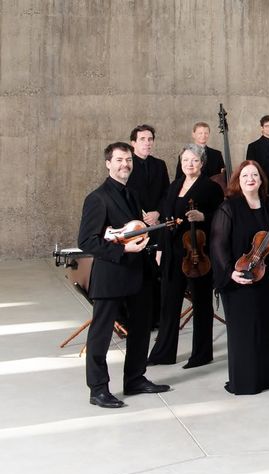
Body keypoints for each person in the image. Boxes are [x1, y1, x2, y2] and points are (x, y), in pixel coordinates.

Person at [76, 142, 172, 408]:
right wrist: (123, 250)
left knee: (141, 330)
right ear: (108, 163)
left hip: (138, 274)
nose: (124, 165)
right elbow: (87, 240)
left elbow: (136, 230)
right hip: (111, 276)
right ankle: (98, 389)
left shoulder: (133, 194)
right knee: (101, 334)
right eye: (119, 160)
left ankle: (135, 379)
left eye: (128, 160)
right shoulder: (97, 198)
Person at [210, 160, 269, 395]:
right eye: (245, 176)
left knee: (265, 328)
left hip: (265, 277)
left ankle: (268, 377)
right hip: (239, 279)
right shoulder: (229, 208)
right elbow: (217, 245)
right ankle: (246, 381)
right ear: (238, 181)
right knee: (244, 332)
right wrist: (230, 272)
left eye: (255, 175)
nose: (250, 179)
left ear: (261, 180)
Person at [147, 144, 225, 368]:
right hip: (173, 251)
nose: (189, 164)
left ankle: (201, 354)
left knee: (201, 303)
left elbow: (221, 219)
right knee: (169, 303)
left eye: (194, 160)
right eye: (185, 160)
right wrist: (161, 249)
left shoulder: (210, 188)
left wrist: (203, 216)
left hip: (197, 253)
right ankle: (163, 353)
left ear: (202, 163)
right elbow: (165, 220)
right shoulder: (174, 186)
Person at [126, 124, 170, 333]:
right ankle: (137, 317)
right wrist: (141, 217)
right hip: (135, 224)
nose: (147, 142)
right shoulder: (127, 164)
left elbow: (167, 194)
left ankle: (157, 317)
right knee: (138, 271)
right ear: (133, 143)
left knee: (157, 271)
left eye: (150, 139)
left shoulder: (160, 165)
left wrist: (157, 213)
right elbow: (124, 194)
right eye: (142, 139)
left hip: (157, 223)